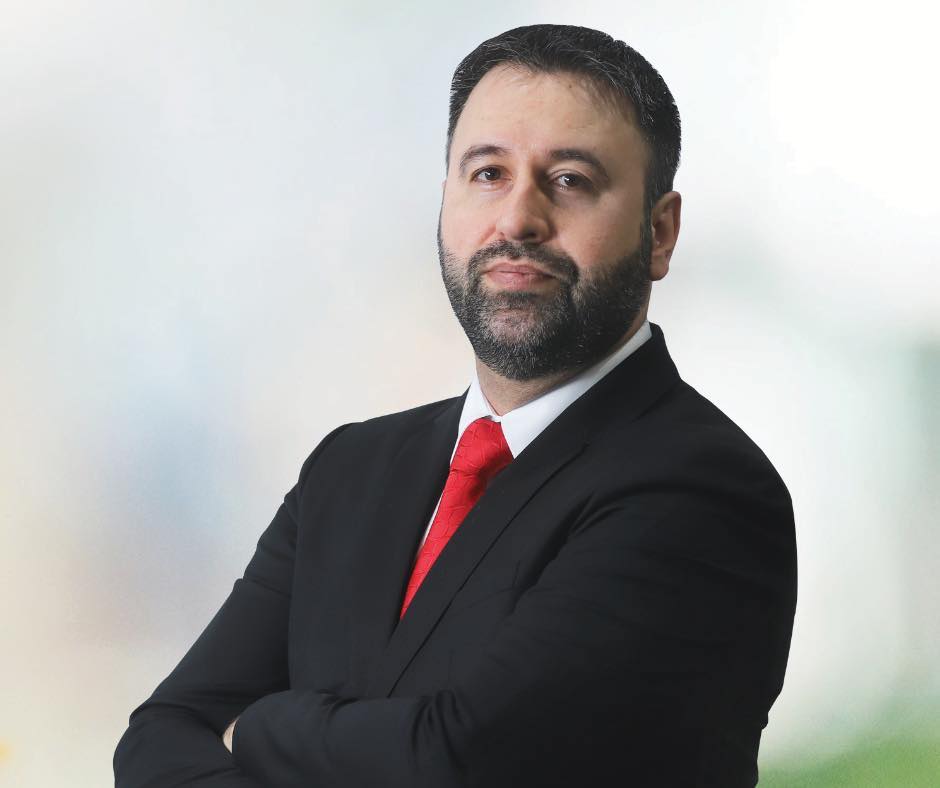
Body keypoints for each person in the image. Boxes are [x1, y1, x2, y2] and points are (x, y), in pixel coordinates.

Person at [114, 24, 796, 787]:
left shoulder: (702, 489)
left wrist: (260, 727)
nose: (518, 219)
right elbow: (159, 739)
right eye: (488, 173)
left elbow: (461, 761)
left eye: (570, 179)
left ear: (660, 232)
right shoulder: (349, 471)